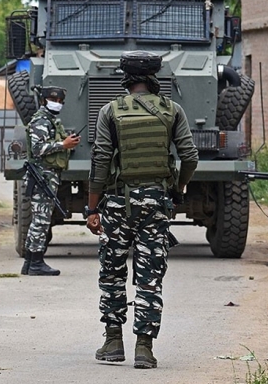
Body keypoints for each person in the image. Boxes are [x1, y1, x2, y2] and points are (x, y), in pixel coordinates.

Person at [85, 50, 198, 369]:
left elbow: (101, 162)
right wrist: (177, 188)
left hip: (118, 204)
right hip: (156, 205)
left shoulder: (110, 111)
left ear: (126, 79)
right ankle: (144, 348)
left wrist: (92, 208)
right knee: (149, 276)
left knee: (112, 271)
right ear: (153, 78)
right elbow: (189, 156)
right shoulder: (172, 109)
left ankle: (113, 341)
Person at [21, 86, 80, 276]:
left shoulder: (50, 120)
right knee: (41, 220)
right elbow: (38, 148)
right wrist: (64, 144)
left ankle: (30, 263)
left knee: (39, 219)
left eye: (61, 101)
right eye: (54, 100)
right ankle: (36, 263)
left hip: (47, 175)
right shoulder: (41, 120)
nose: (58, 104)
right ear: (44, 100)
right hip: (42, 176)